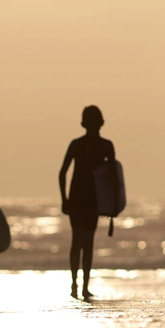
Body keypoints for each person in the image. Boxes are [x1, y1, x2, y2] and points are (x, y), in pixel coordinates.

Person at [59, 106, 117, 300]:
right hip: (92, 200)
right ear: (101, 123)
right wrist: (113, 203)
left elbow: (62, 173)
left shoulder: (77, 144)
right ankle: (82, 287)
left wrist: (64, 199)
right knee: (87, 242)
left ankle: (77, 286)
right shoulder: (106, 146)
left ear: (83, 123)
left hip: (78, 198)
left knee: (78, 241)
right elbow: (114, 178)